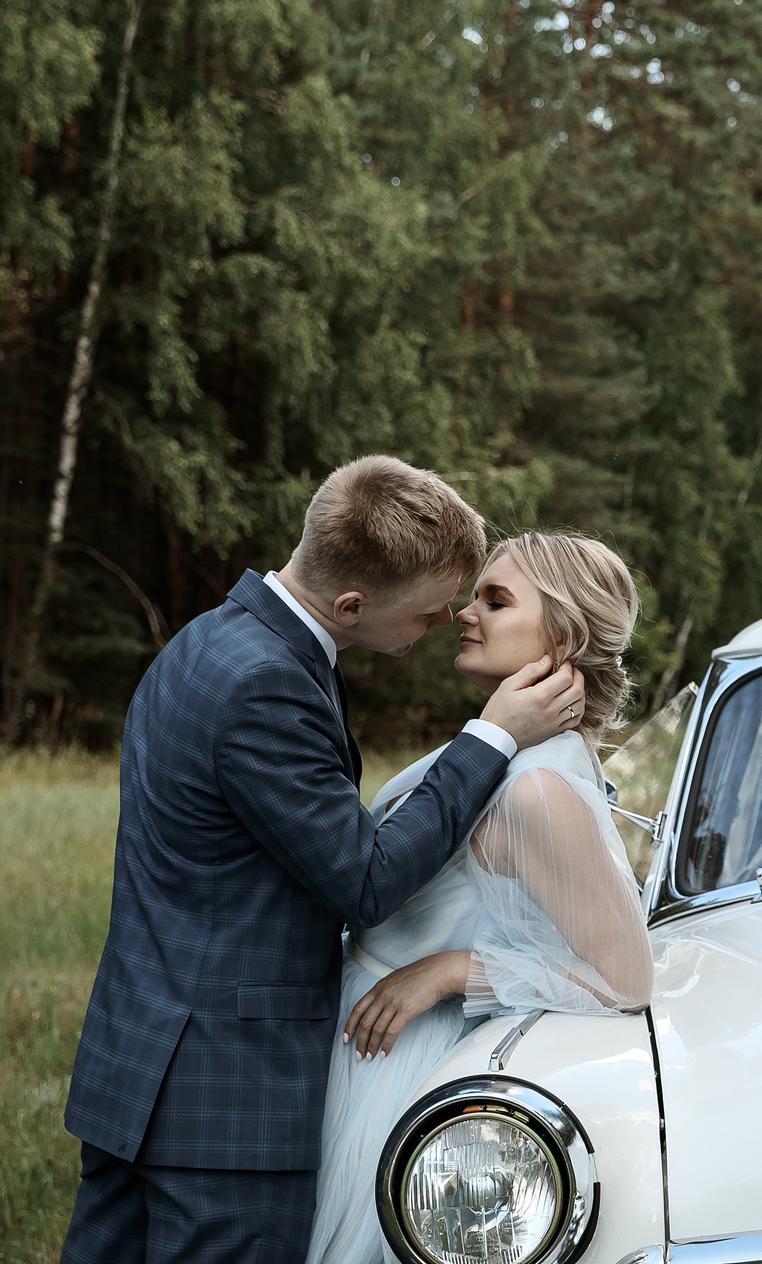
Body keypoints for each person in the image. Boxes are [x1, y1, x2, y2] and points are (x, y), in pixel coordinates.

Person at [58, 458, 590, 1264]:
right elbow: (366, 879)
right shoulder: (265, 683)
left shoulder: (211, 639)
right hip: (223, 1100)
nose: (446, 620)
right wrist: (494, 735)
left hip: (143, 1065)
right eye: (428, 609)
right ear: (351, 604)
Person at [305, 532, 654, 1264]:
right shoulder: (508, 749)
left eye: (496, 600)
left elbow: (624, 978)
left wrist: (448, 969)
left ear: (562, 634)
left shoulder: (539, 787)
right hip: (358, 1031)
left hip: (392, 1060)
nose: (466, 612)